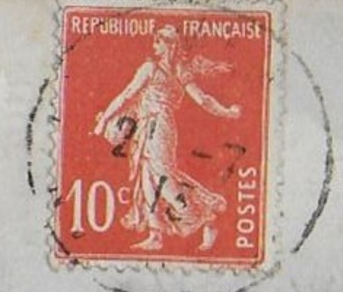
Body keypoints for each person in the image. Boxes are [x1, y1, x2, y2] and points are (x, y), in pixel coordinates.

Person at [92, 26, 240, 253]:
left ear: (169, 44)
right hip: (150, 126)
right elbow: (202, 100)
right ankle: (156, 234)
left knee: (162, 176)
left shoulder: (157, 68)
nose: (154, 46)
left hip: (158, 127)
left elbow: (128, 94)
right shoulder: (171, 69)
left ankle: (204, 216)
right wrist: (227, 112)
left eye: (158, 42)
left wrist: (103, 122)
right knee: (147, 178)